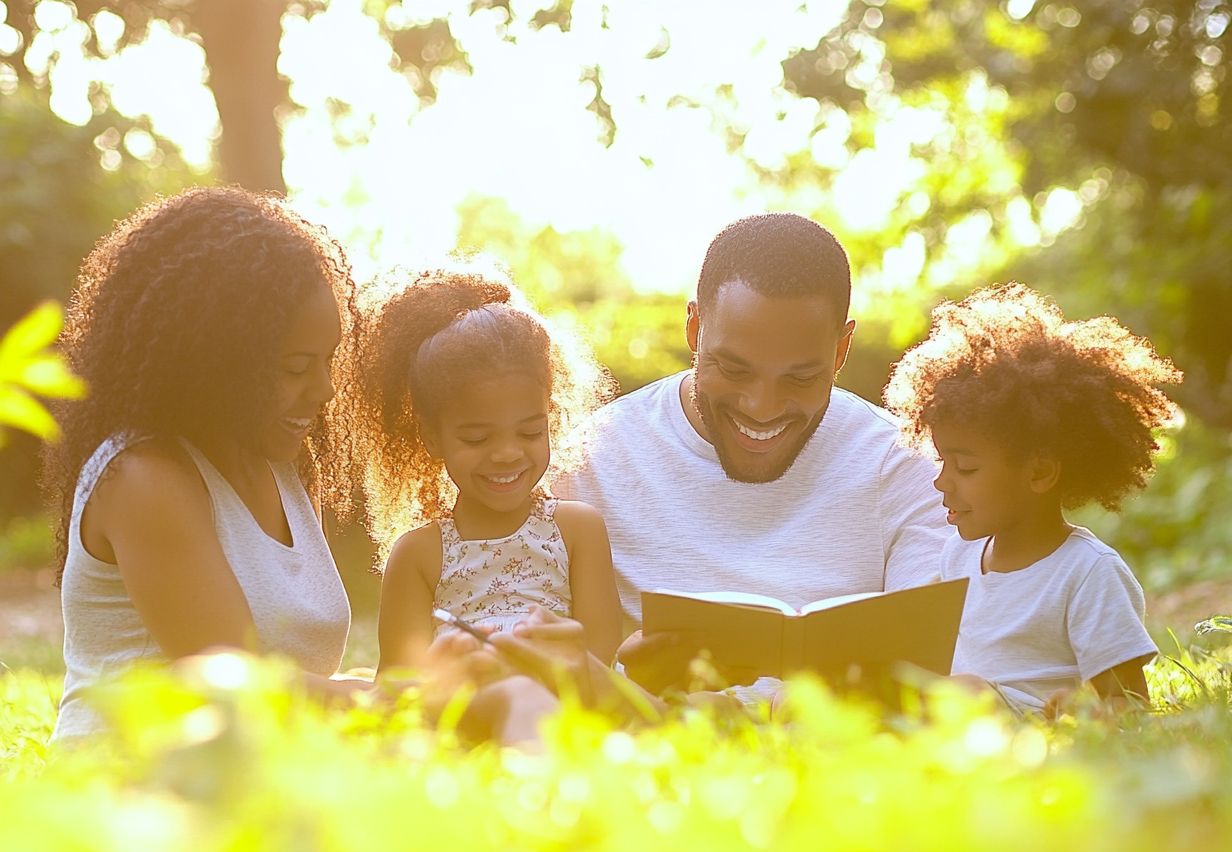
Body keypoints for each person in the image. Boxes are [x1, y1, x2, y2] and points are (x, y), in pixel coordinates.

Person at [44, 188, 533, 743]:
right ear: (214, 359)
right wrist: (385, 699)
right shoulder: (143, 477)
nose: (324, 391)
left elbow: (299, 690)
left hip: (261, 774)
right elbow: (227, 682)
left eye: (328, 361)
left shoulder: (281, 466)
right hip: (134, 791)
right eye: (297, 368)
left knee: (503, 711)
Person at [554, 213, 951, 696]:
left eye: (800, 378)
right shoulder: (589, 460)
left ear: (841, 349)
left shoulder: (905, 465)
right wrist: (625, 681)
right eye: (734, 370)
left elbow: (933, 678)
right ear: (696, 329)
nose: (761, 408)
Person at [882, 283, 1180, 713]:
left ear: (1039, 471)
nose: (942, 482)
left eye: (965, 468)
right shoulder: (958, 556)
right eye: (942, 462)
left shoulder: (1087, 573)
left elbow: (1127, 702)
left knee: (964, 693)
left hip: (1019, 727)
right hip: (953, 721)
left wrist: (1081, 716)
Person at [327, 264, 624, 682]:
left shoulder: (577, 530)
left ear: (549, 419)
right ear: (432, 437)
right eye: (477, 438)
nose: (506, 454)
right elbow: (398, 683)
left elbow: (600, 660)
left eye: (529, 431)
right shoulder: (419, 554)